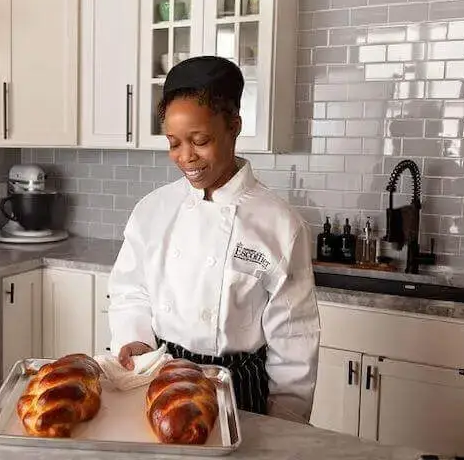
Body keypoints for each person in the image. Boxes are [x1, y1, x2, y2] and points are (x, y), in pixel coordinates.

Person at [107, 55, 321, 424]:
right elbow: (129, 290)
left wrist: (286, 426)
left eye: (200, 140)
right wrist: (136, 339)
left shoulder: (280, 224)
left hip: (238, 392)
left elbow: (294, 339)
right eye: (174, 143)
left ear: (234, 126)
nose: (185, 157)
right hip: (158, 378)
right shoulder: (152, 210)